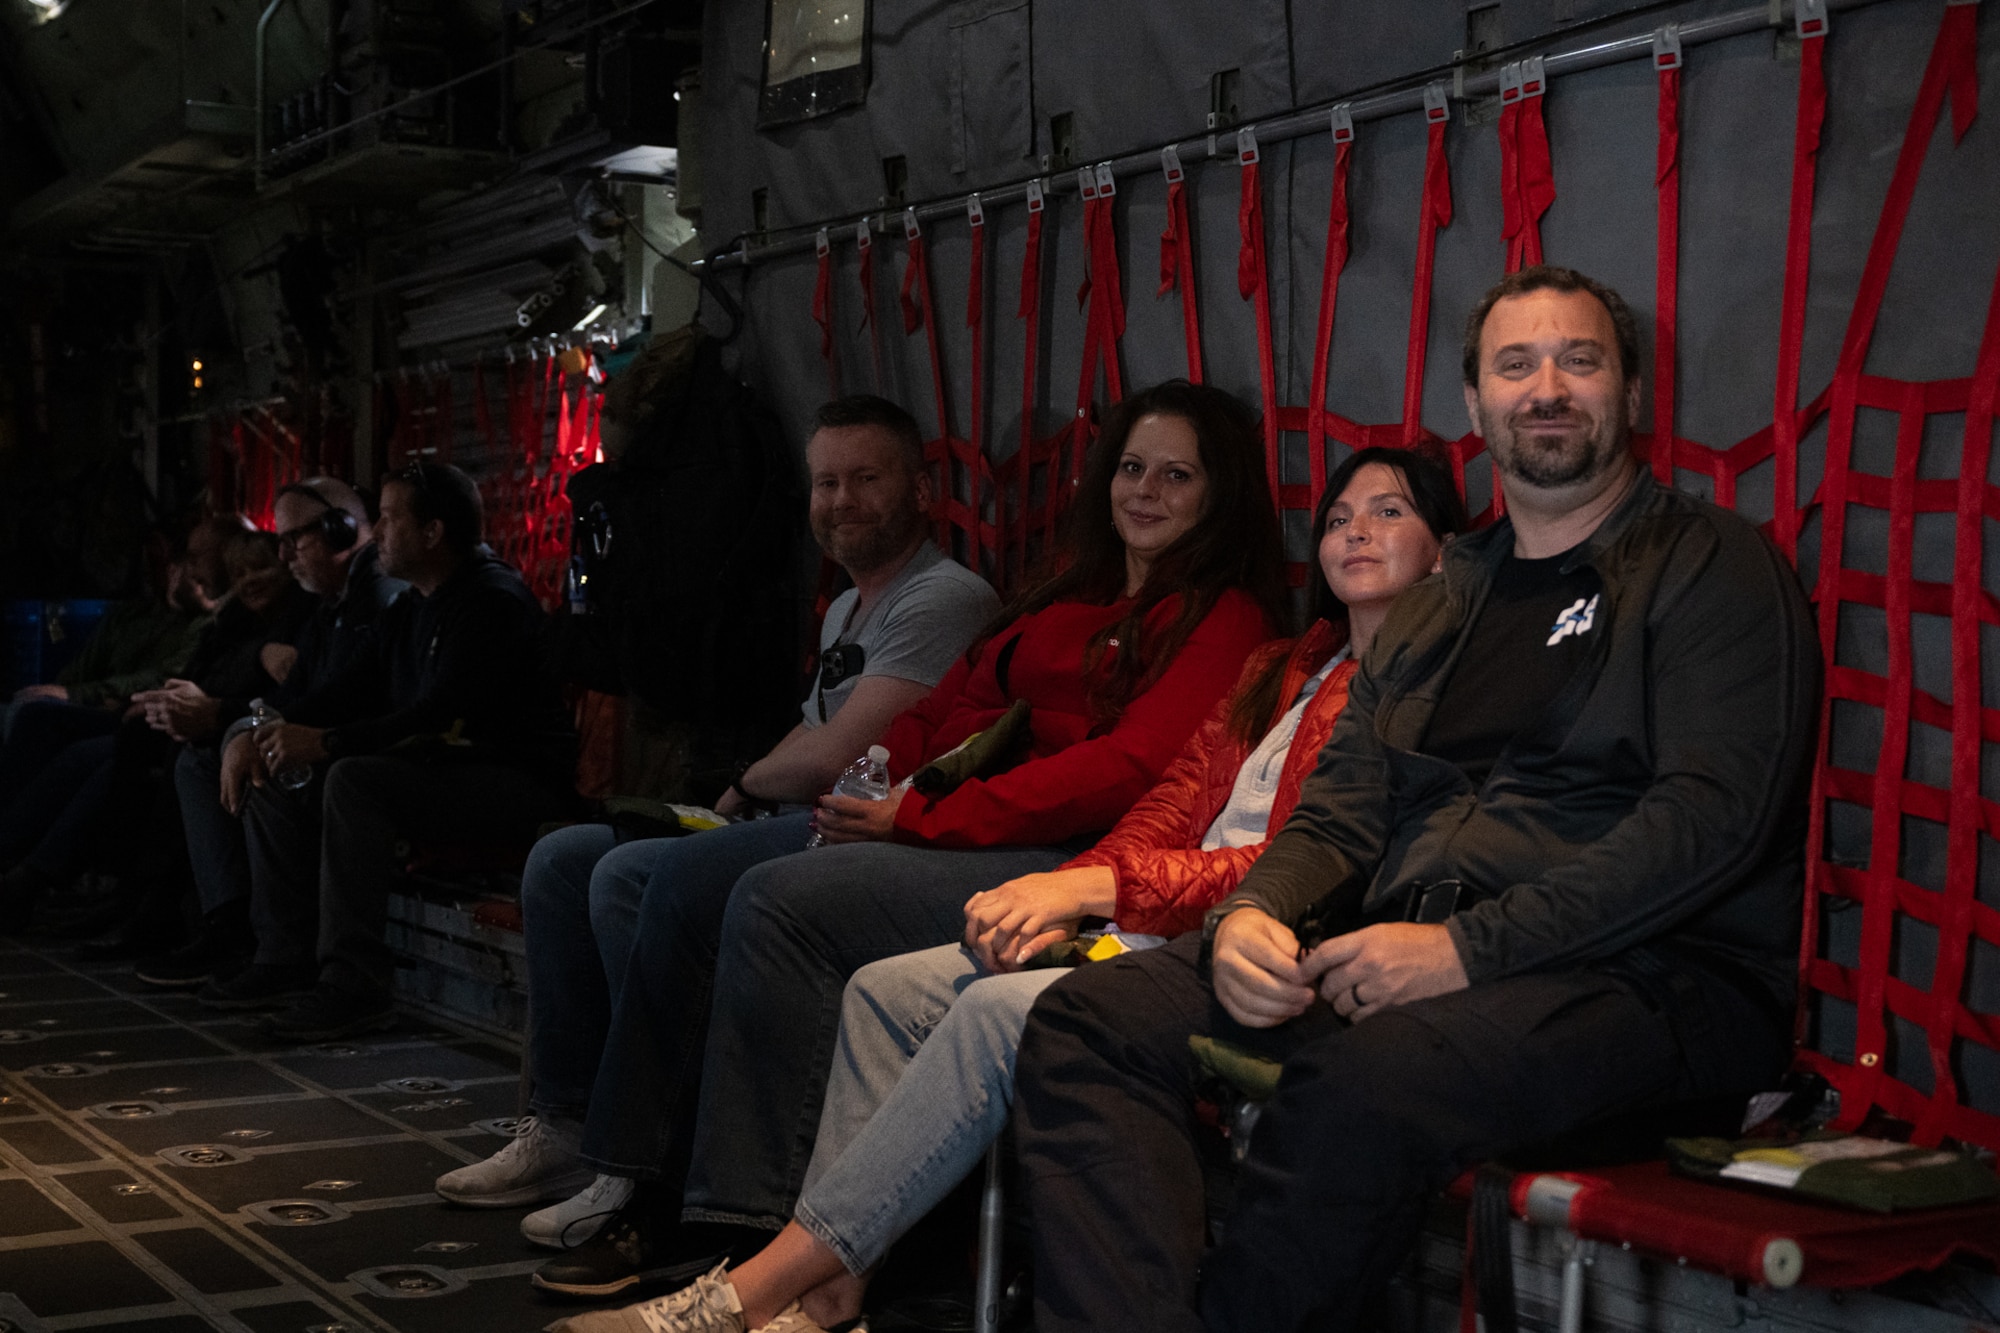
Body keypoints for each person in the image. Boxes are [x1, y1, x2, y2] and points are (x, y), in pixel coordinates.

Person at [1005, 266, 1823, 1333]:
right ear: (1472, 406)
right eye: (1513, 364)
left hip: (1648, 983)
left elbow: (1707, 823)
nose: (1546, 387)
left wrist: (1462, 953)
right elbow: (1342, 806)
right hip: (1412, 964)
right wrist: (1253, 913)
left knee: (1359, 1082)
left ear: (1628, 397)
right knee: (1086, 1021)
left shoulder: (1706, 566)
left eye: (1579, 361)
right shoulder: (1447, 593)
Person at [561, 447, 1469, 1333]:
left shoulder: (1419, 692)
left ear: (1445, 549)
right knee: (885, 990)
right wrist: (1077, 883)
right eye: (1341, 514)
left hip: (1243, 944)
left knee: (981, 1002)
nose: (1355, 531)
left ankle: (754, 1289)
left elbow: (1296, 863)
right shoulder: (1285, 662)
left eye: (1389, 512)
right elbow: (1174, 796)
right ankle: (835, 1287)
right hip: (1141, 907)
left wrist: (1091, 892)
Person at [509, 379, 1286, 1301]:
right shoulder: (1063, 595)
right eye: (1130, 467)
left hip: (1062, 857)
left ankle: (746, 1222)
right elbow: (951, 711)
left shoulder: (1226, 615)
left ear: (1218, 492)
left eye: (1176, 474)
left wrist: (918, 817)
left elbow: (1128, 769)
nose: (1145, 490)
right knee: (649, 874)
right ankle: (646, 1174)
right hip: (939, 822)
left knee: (771, 900)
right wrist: (868, 789)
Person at [433, 395, 998, 1231]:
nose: (839, 501)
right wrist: (743, 789)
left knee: (634, 874)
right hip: (802, 813)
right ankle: (566, 1122)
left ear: (920, 490)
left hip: (873, 831)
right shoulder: (847, 604)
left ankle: (650, 1158)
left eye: (864, 480)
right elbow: (811, 731)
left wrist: (742, 783)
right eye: (825, 483)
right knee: (561, 861)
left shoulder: (945, 597)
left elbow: (844, 749)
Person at [241, 461, 580, 1039]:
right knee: (281, 770)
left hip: (512, 781)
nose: (379, 532)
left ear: (432, 533)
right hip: (445, 769)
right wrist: (263, 732)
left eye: (392, 519)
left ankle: (353, 986)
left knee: (352, 778)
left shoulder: (490, 601)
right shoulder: (414, 604)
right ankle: (280, 955)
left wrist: (325, 743)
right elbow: (350, 687)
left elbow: (435, 718)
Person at [139, 478, 405, 992]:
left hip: (364, 748)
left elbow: (346, 699)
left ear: (341, 528)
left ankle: (282, 952)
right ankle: (226, 921)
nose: (284, 558)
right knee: (198, 757)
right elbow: (300, 692)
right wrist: (245, 721)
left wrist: (249, 726)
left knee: (268, 765)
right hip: (335, 737)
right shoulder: (331, 601)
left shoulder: (376, 595)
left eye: (294, 541)